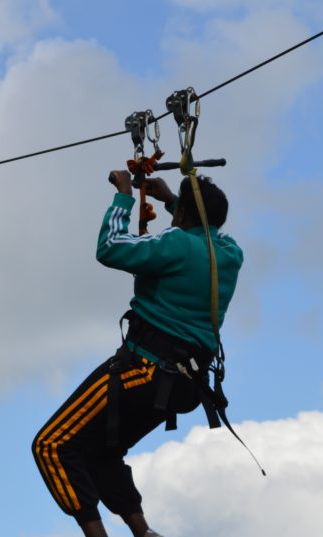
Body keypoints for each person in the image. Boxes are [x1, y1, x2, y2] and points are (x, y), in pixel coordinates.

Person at [32, 169, 243, 537]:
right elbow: (199, 229)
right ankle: (142, 531)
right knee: (100, 450)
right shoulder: (229, 254)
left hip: (146, 370)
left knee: (51, 444)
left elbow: (110, 248)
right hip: (184, 384)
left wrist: (125, 196)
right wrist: (171, 202)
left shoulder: (176, 244)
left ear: (184, 218)